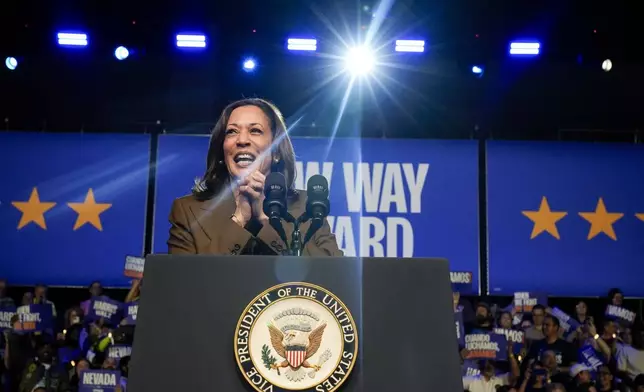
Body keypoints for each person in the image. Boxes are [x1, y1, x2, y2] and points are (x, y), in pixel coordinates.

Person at [167, 98, 342, 256]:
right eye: (232, 132)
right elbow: (186, 283)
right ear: (222, 151)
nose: (242, 140)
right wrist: (239, 218)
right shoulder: (188, 211)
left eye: (255, 130)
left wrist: (268, 219)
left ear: (276, 152)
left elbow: (330, 275)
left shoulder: (306, 207)